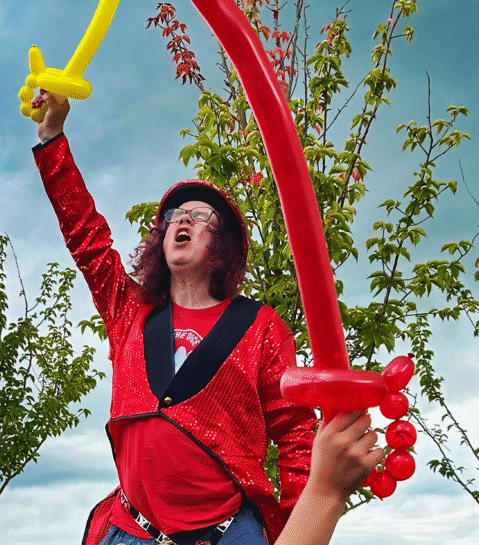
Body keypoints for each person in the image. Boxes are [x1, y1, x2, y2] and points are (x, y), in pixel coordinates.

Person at [32, 92, 383, 545]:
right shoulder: (130, 310)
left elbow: (296, 438)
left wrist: (293, 531)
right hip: (129, 531)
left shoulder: (261, 327)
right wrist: (53, 139)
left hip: (226, 533)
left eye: (200, 216)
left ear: (225, 244)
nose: (183, 220)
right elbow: (87, 238)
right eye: (175, 216)